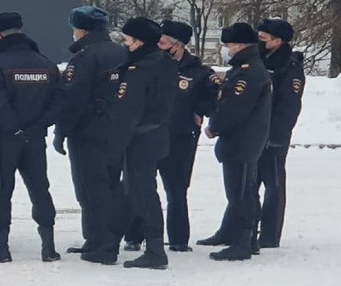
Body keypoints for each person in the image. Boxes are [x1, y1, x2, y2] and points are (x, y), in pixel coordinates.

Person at [0, 12, 62, 263]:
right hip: (36, 137)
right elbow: (58, 102)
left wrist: (14, 128)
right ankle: (48, 246)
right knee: (40, 189)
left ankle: (1, 247)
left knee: (1, 190)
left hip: (5, 139)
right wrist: (37, 126)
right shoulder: (45, 63)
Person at [52, 6, 127, 265]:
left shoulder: (85, 57)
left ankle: (103, 245)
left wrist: (61, 132)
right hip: (118, 130)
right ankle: (98, 239)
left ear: (81, 30)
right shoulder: (122, 53)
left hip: (88, 131)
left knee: (91, 189)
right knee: (110, 185)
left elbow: (73, 99)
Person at [110, 17, 177, 269]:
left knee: (142, 194)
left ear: (138, 42)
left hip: (140, 139)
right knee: (128, 192)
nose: (125, 45)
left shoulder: (139, 70)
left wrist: (116, 144)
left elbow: (128, 112)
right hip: (157, 135)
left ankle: (156, 250)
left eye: (128, 40)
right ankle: (109, 244)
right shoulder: (164, 63)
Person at [202, 23, 272, 261]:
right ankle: (246, 238)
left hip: (242, 141)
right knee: (244, 191)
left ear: (240, 45)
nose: (227, 49)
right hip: (242, 140)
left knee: (241, 193)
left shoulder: (248, 71)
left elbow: (235, 107)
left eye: (229, 45)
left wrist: (215, 126)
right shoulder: (245, 68)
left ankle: (243, 242)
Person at [157, 20, 220, 252]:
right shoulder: (151, 65)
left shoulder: (199, 72)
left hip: (181, 137)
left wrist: (199, 109)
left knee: (176, 190)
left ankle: (178, 239)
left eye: (163, 42)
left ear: (178, 45)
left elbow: (212, 101)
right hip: (151, 135)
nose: (158, 46)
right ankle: (135, 235)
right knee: (140, 187)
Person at [256, 18, 305, 248]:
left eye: (264, 38)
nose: (259, 40)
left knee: (273, 184)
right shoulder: (259, 59)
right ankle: (241, 228)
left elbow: (289, 107)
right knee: (248, 183)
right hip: (254, 133)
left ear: (278, 41)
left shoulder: (290, 67)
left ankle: (270, 234)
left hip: (274, 135)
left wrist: (276, 137)